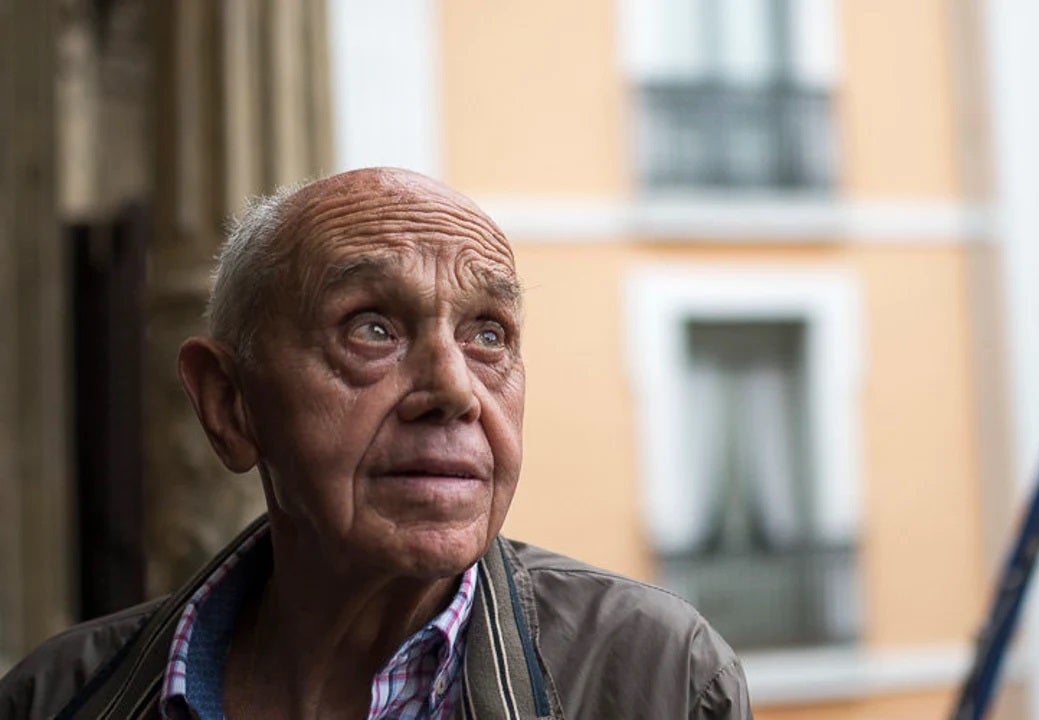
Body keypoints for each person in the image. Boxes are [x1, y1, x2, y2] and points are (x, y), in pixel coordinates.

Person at [0, 168, 751, 719]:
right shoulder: (55, 700)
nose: (456, 390)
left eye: (489, 334)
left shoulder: (659, 677)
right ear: (231, 404)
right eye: (372, 329)